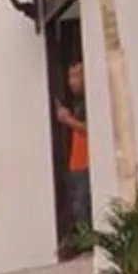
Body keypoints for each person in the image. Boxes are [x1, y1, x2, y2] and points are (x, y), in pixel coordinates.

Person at [54, 54, 93, 239]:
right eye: (70, 77)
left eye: (77, 76)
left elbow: (89, 129)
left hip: (86, 161)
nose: (73, 82)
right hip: (76, 162)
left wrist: (68, 120)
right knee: (77, 206)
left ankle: (89, 243)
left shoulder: (89, 101)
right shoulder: (77, 101)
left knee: (82, 206)